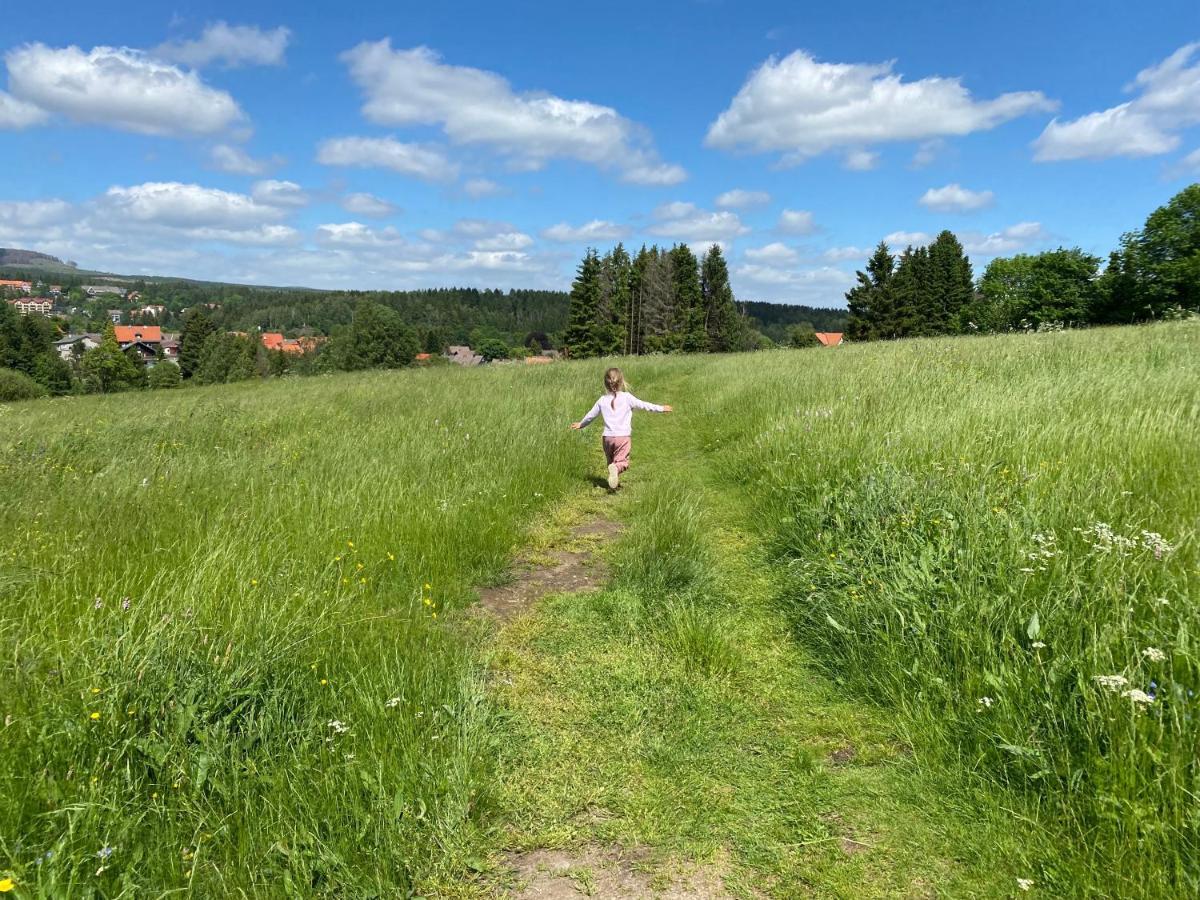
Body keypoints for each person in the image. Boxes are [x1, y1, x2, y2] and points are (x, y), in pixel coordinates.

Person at [570, 367, 672, 489]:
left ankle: (614, 481)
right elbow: (644, 405)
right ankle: (616, 470)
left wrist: (581, 424)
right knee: (622, 463)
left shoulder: (602, 400)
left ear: (605, 384)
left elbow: (591, 415)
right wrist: (661, 408)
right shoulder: (627, 397)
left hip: (607, 438)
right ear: (622, 382)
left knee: (611, 462)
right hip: (622, 437)